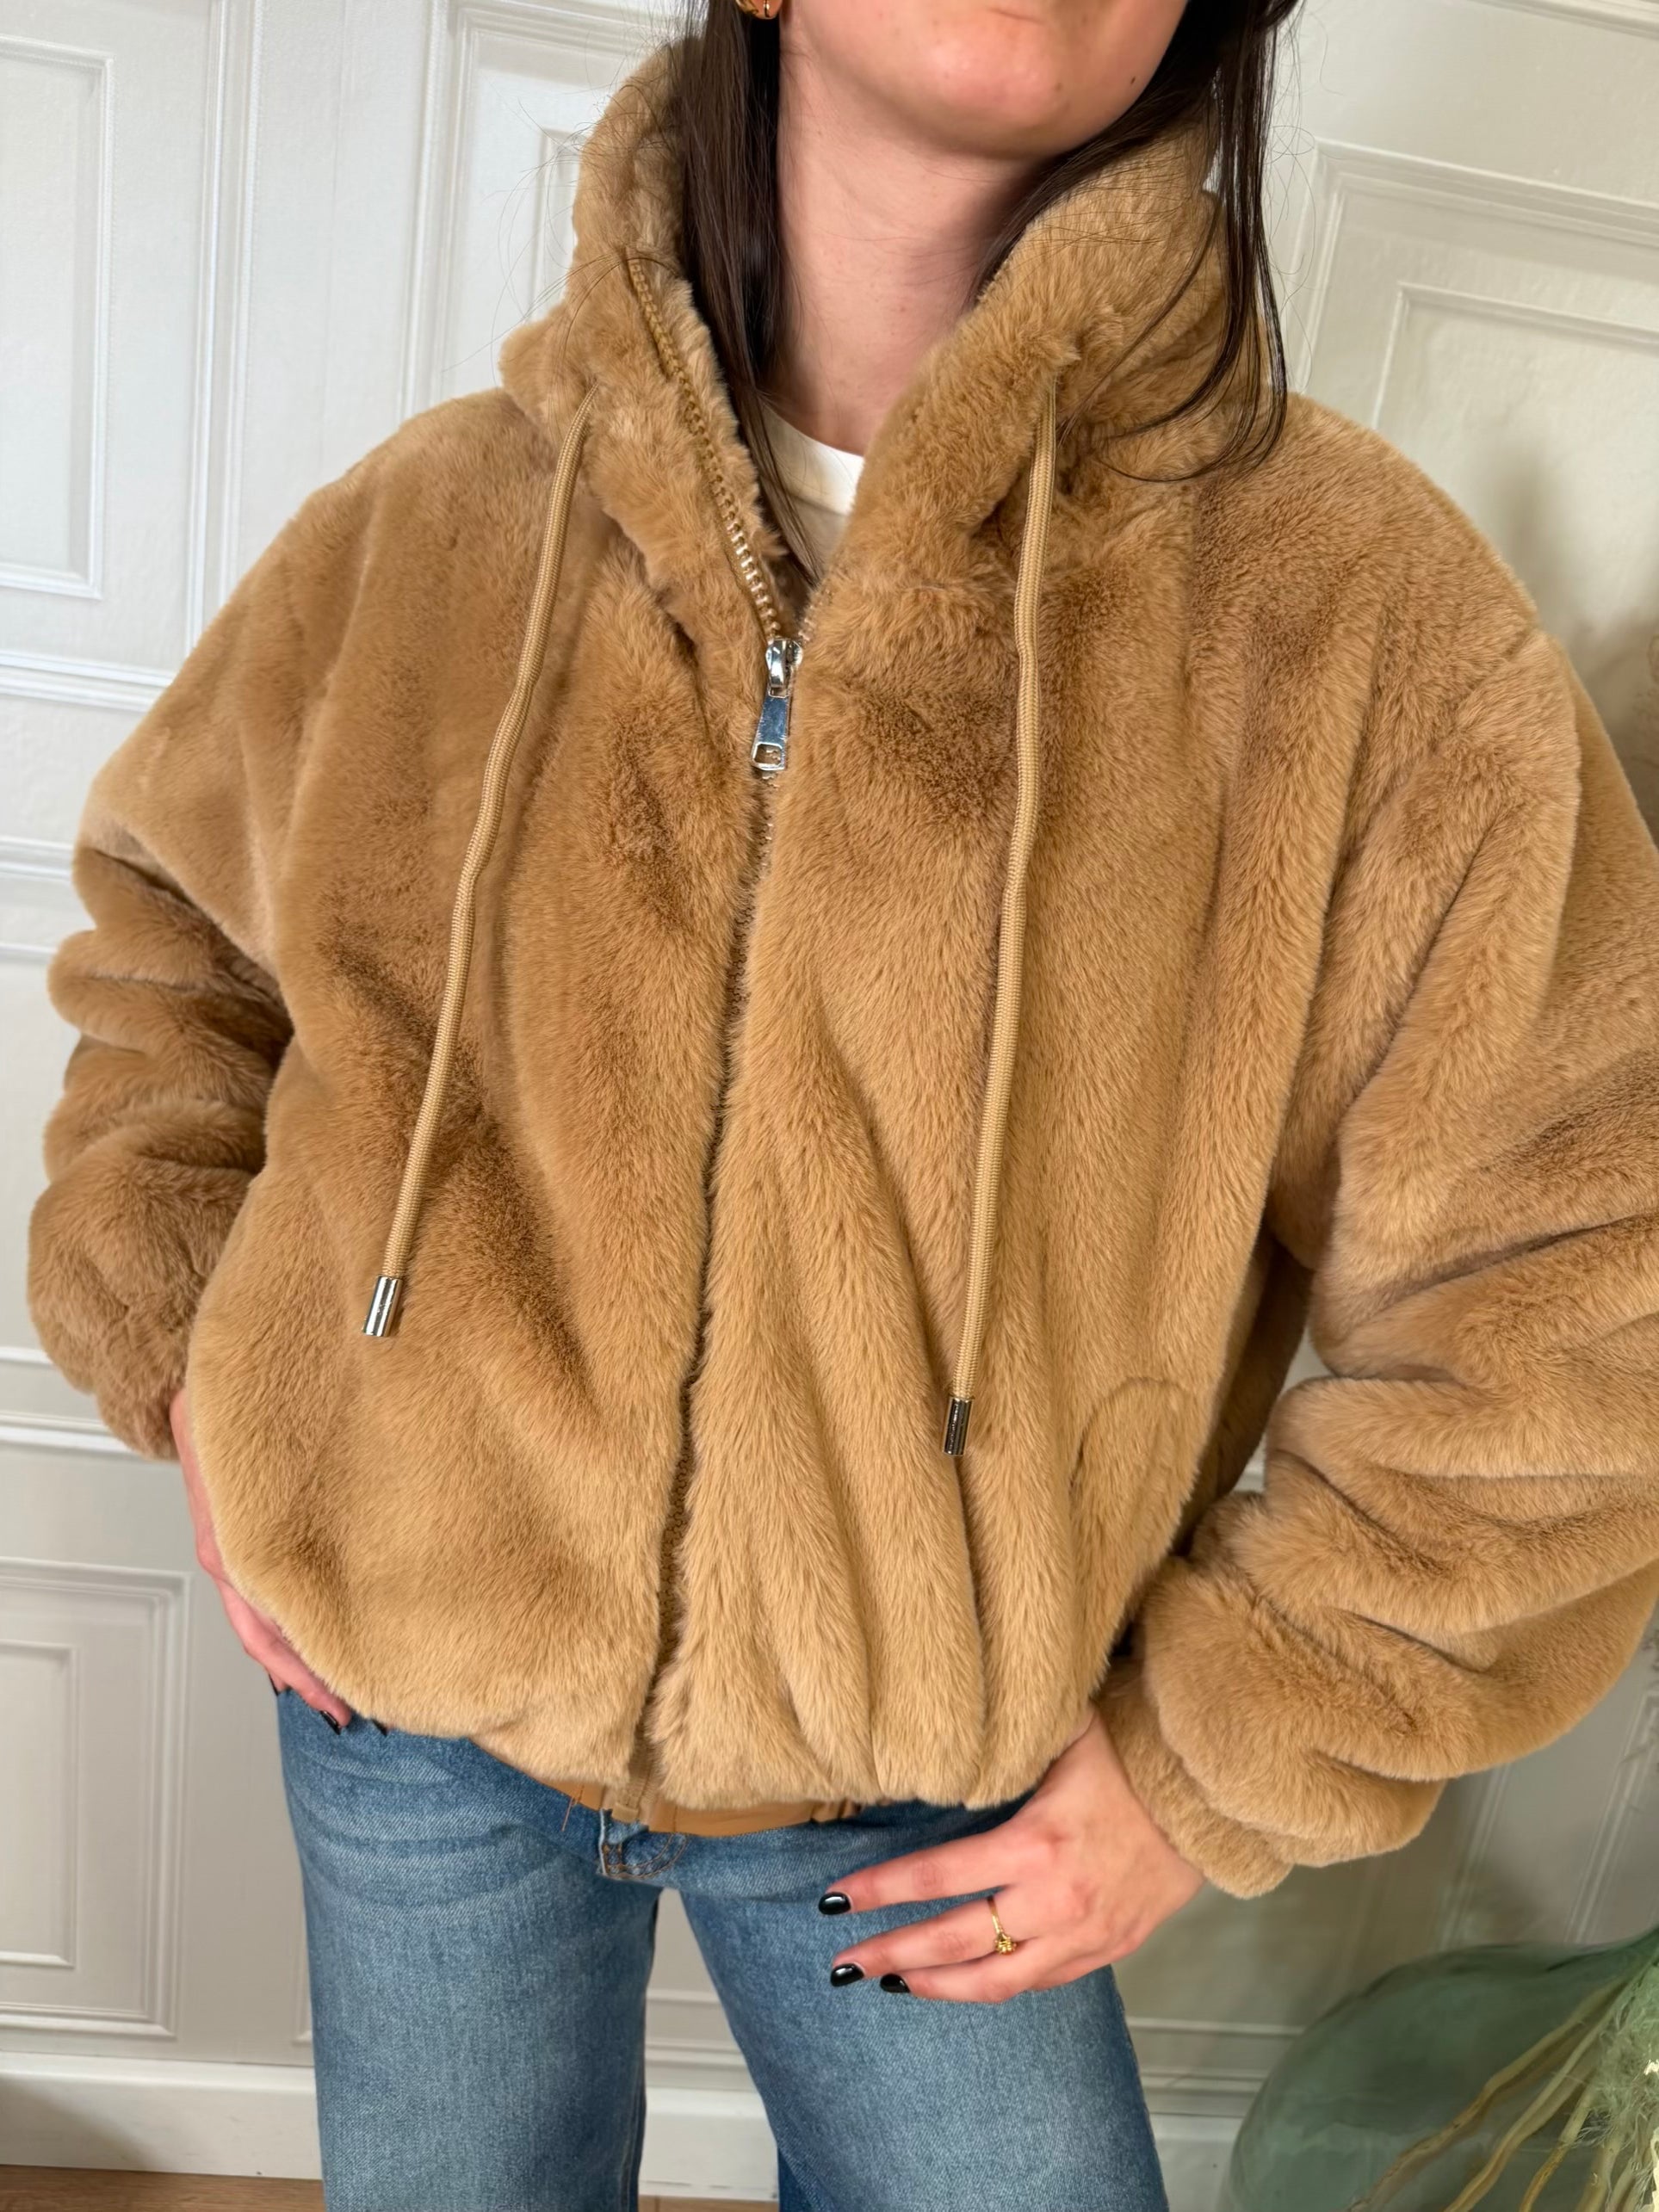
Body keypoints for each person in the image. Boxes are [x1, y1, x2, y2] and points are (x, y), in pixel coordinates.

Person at [25, 0, 1659, 2206]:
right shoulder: (437, 526)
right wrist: (197, 1362)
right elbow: (177, 956)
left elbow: (1578, 1286)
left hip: (932, 1772)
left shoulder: (1352, 626)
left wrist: (1209, 1760)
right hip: (407, 1698)